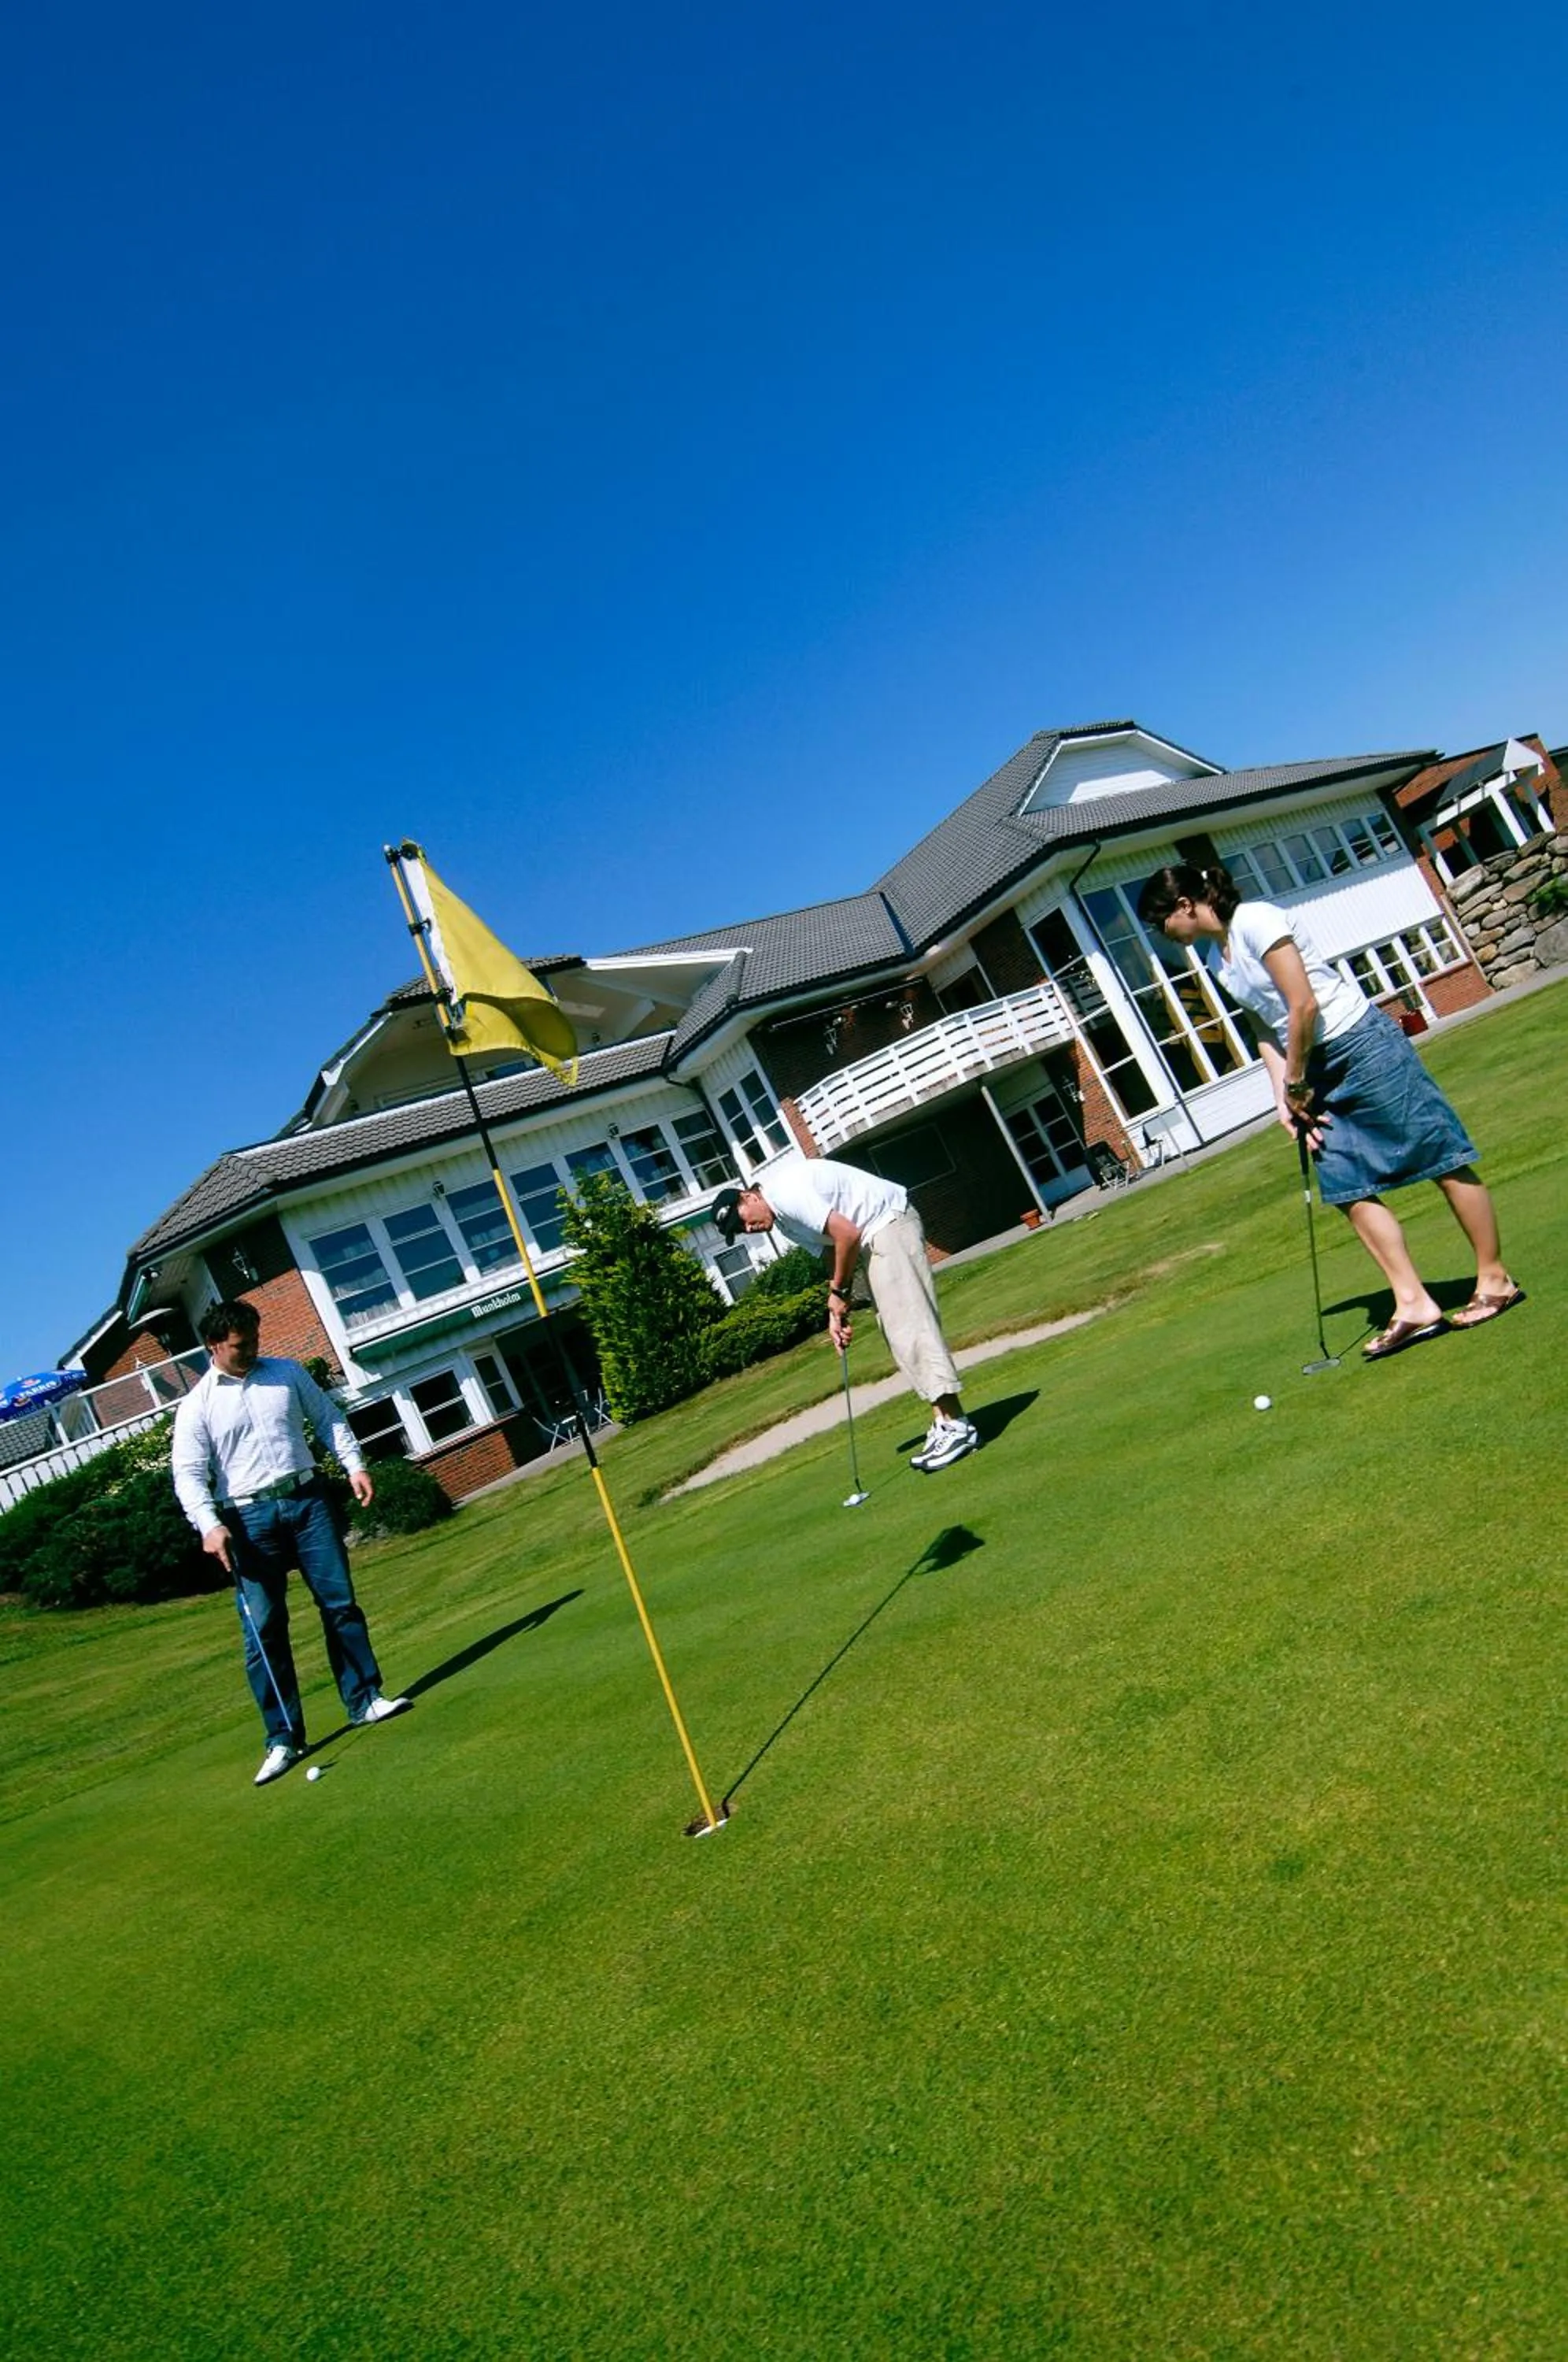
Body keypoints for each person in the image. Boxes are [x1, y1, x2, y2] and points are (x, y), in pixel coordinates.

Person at [1137, 863, 1522, 1361]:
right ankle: (1414, 1303)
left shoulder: (1256, 920)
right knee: (1345, 1181)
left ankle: (1495, 1279)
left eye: (1161, 921)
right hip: (1311, 1067)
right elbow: (1265, 1028)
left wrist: (1297, 1080)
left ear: (1185, 905)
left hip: (1361, 1046)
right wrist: (1282, 1095)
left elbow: (1303, 1005)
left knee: (1439, 1155)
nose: (1162, 933)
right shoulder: (1218, 959)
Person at [172, 1301, 410, 1785]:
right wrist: (209, 1525)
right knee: (264, 1630)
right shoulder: (197, 1406)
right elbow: (189, 1474)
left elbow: (328, 1418)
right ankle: (283, 1738)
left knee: (339, 1604)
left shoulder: (286, 1373)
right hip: (246, 1519)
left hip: (307, 1501)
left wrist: (354, 1465)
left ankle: (365, 1700)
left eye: (255, 1339)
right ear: (214, 1346)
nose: (252, 1350)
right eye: (240, 1345)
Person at [711, 1157, 979, 1468]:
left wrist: (839, 1294)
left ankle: (957, 1426)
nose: (747, 1228)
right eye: (740, 1230)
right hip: (875, 1234)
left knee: (910, 1326)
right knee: (897, 1331)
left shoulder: (784, 1195)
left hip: (888, 1224)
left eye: (742, 1219)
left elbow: (847, 1235)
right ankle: (943, 1419)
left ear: (748, 1196)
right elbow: (830, 1251)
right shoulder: (782, 1222)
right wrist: (837, 1312)